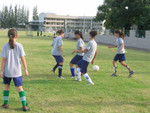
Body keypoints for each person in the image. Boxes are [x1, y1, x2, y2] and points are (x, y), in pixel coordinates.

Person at [0, 28, 29, 111]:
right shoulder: (20, 46)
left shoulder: (5, 46)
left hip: (7, 71)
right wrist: (26, 69)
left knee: (6, 87)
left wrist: (1, 71)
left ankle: (6, 104)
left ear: (8, 36)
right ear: (17, 36)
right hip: (17, 71)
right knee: (19, 88)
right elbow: (23, 59)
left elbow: (3, 60)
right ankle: (24, 106)